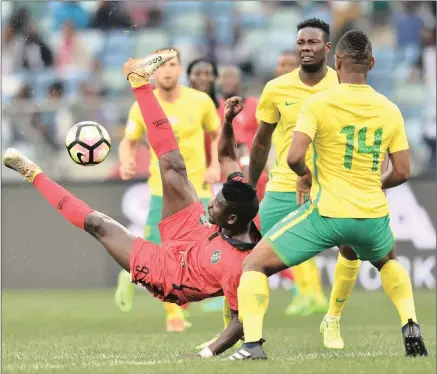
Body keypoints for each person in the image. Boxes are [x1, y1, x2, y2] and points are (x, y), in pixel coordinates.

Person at [2, 50, 259, 357]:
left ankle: (33, 174)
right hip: (196, 234)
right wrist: (228, 120)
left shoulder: (240, 266)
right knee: (175, 167)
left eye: (216, 206)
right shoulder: (239, 196)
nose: (210, 204)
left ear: (230, 220)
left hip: (170, 273)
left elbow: (241, 319)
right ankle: (139, 82)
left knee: (99, 224)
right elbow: (228, 155)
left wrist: (209, 352)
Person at [231, 30, 428, 360]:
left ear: (337, 61)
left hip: (327, 214)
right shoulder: (389, 108)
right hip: (372, 216)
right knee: (388, 262)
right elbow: (403, 171)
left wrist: (305, 178)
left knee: (253, 264)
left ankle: (252, 345)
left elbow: (294, 157)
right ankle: (410, 322)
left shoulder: (319, 103)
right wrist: (371, 184)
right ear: (372, 63)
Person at [114, 49, 222, 332]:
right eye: (161, 65)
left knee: (208, 248)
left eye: (172, 64)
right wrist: (125, 158)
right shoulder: (141, 106)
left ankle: (216, 300)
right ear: (153, 71)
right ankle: (173, 314)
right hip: (160, 193)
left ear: (180, 69)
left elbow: (217, 134)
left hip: (198, 189)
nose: (166, 70)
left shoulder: (200, 101)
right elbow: (129, 140)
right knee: (163, 254)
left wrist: (215, 165)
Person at [249, 18, 335, 318]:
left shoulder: (341, 85)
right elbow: (261, 143)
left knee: (370, 252)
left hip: (332, 185)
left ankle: (330, 312)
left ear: (327, 47)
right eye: (301, 43)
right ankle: (238, 328)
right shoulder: (275, 89)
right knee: (249, 253)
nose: (305, 48)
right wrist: (248, 185)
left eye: (312, 42)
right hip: (285, 185)